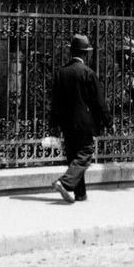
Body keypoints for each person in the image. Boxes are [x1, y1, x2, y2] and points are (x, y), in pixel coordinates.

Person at [46, 34, 111, 203]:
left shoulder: (61, 73)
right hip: (85, 123)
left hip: (67, 124)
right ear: (86, 54)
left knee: (74, 157)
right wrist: (108, 122)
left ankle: (80, 194)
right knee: (85, 154)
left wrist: (53, 125)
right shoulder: (88, 73)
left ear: (71, 52)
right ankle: (64, 182)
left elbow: (55, 102)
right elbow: (99, 102)